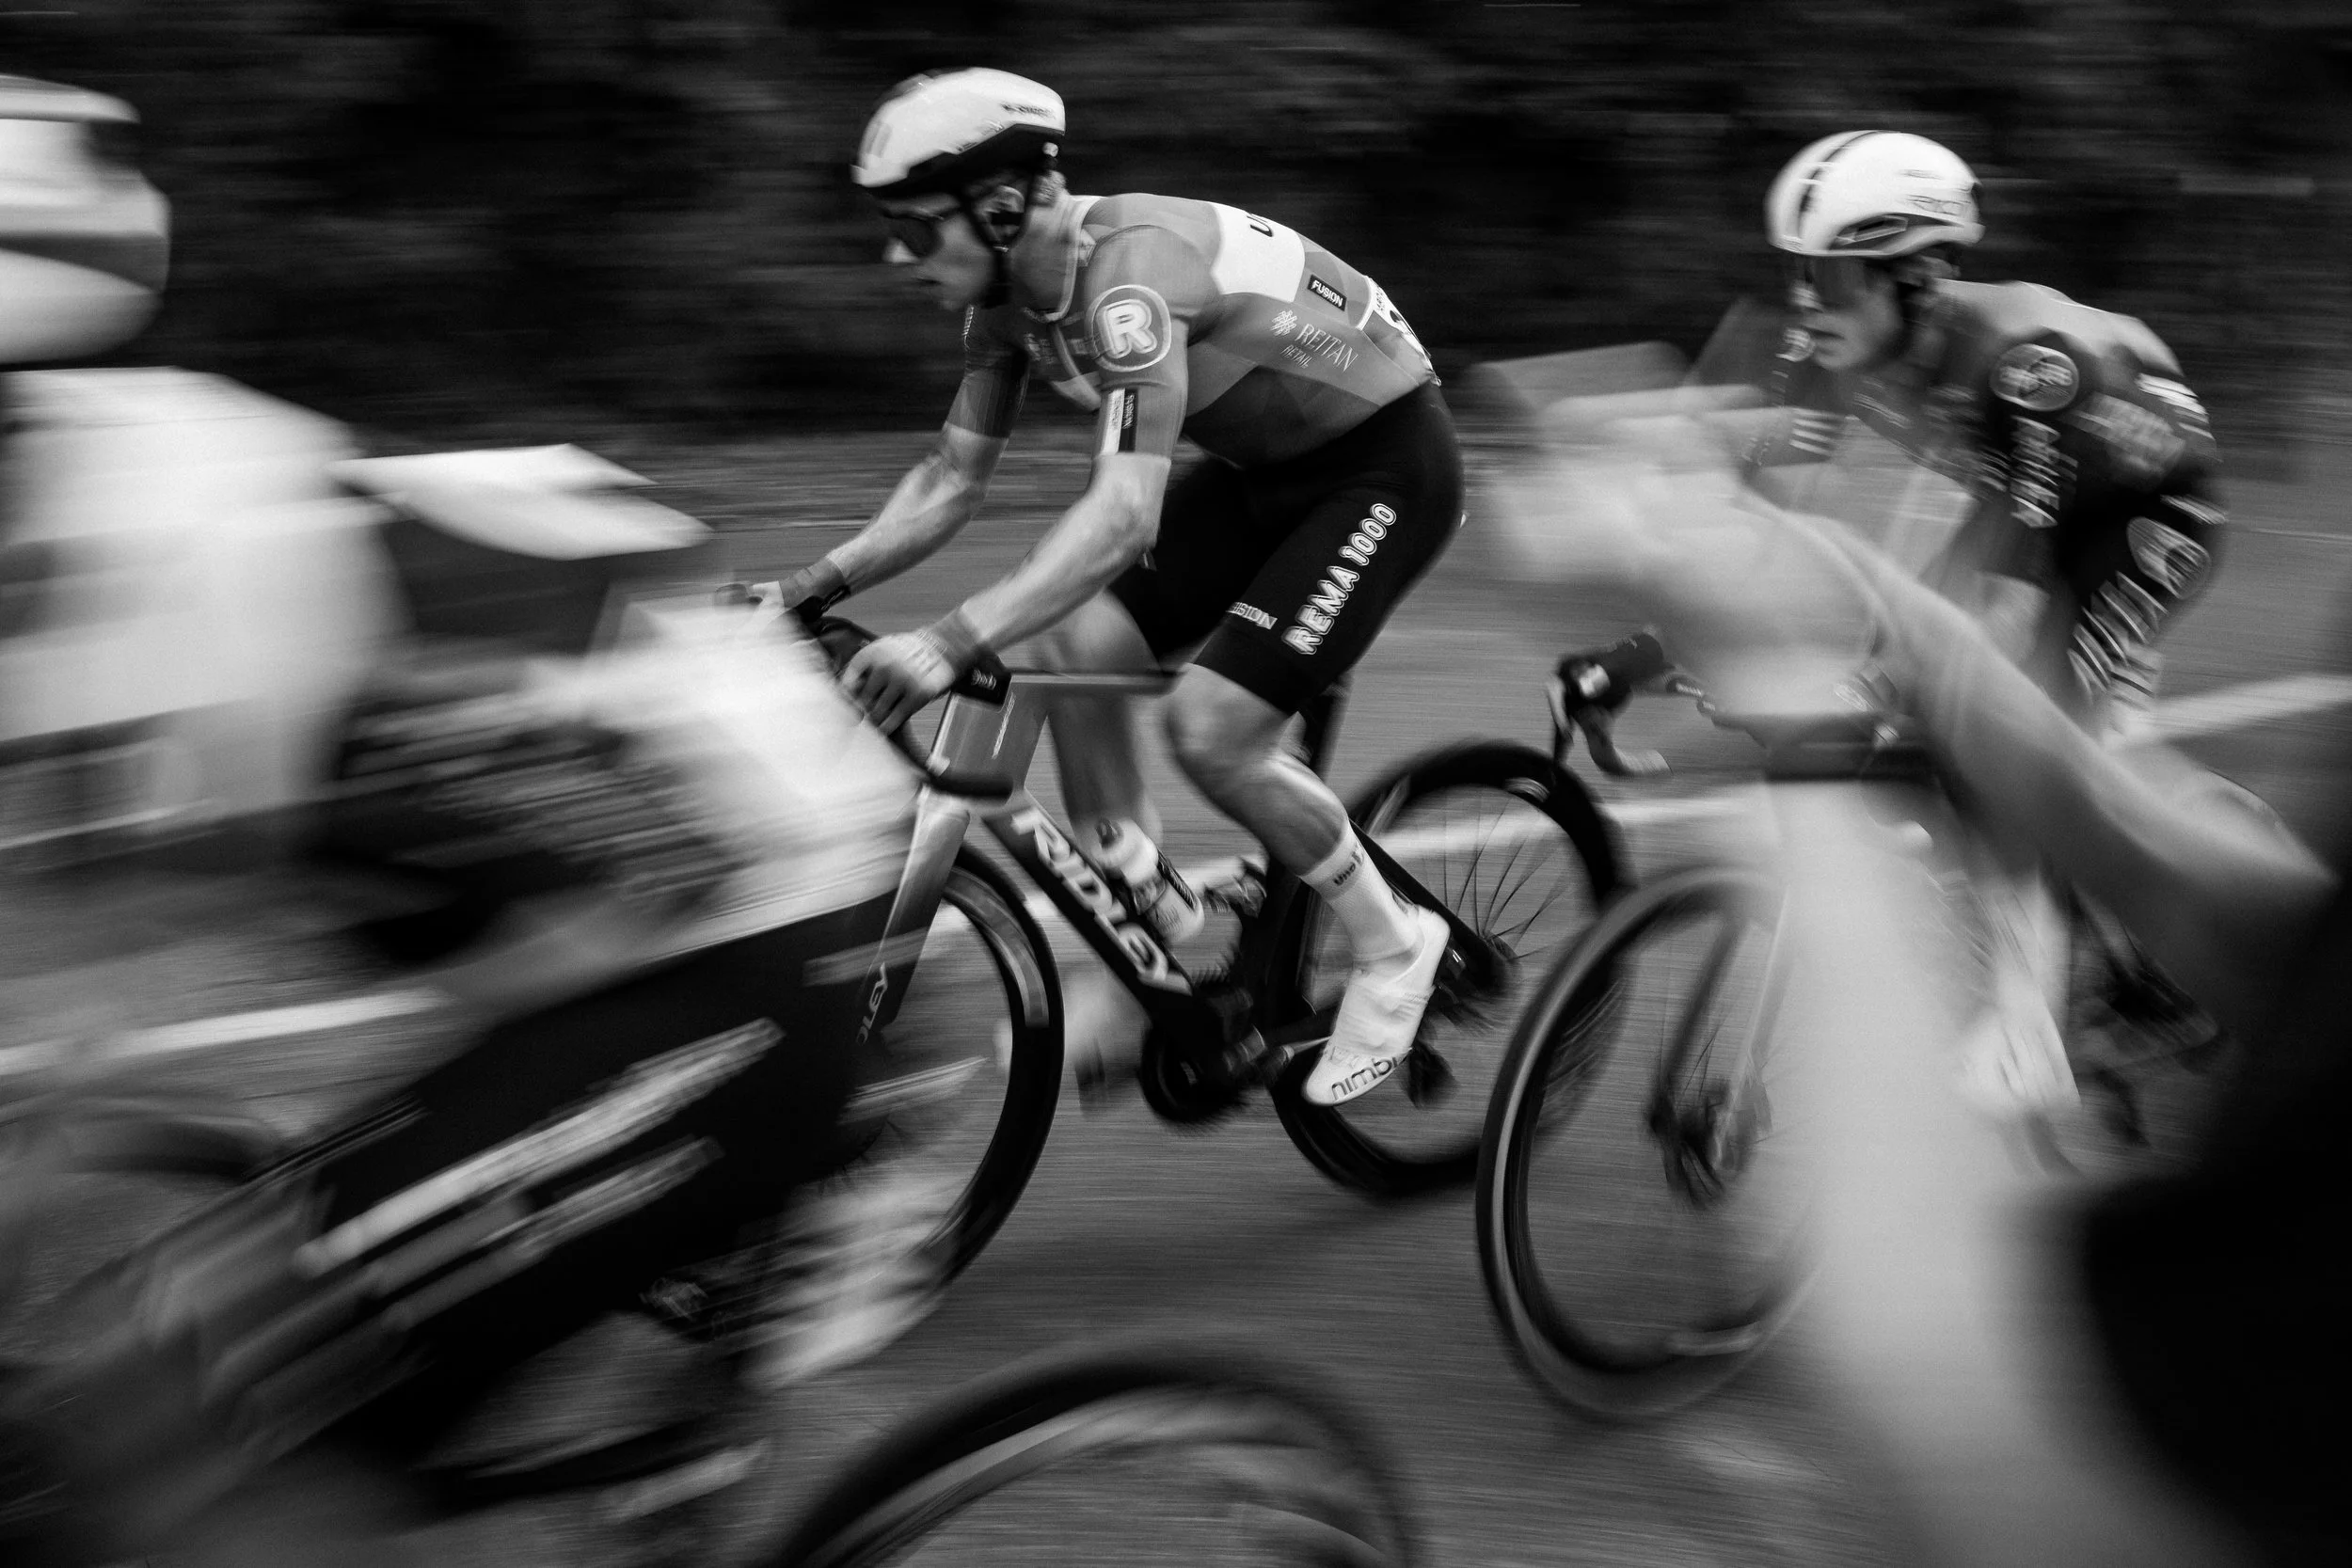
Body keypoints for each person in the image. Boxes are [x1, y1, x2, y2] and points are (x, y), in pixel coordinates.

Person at [773, 68, 1466, 1106]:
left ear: (1002, 209)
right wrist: (800, 591)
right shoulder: (1008, 306)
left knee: (1212, 727)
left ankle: (1396, 939)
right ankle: (1155, 926)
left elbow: (1122, 514)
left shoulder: (1131, 278)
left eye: (917, 232)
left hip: (1382, 466)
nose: (896, 257)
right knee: (1064, 641)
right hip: (1257, 473)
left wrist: (945, 640)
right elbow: (950, 481)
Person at [1748, 130, 2225, 739]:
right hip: (2034, 479)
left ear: (1918, 281)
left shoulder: (2026, 367)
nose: (1808, 304)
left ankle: (2119, 738)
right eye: (1799, 273)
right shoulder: (1814, 351)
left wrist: (1876, 693)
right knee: (1905, 644)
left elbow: (2008, 608)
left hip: (2149, 511)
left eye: (1833, 281)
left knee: (2036, 720)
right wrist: (1633, 659)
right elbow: (1761, 533)